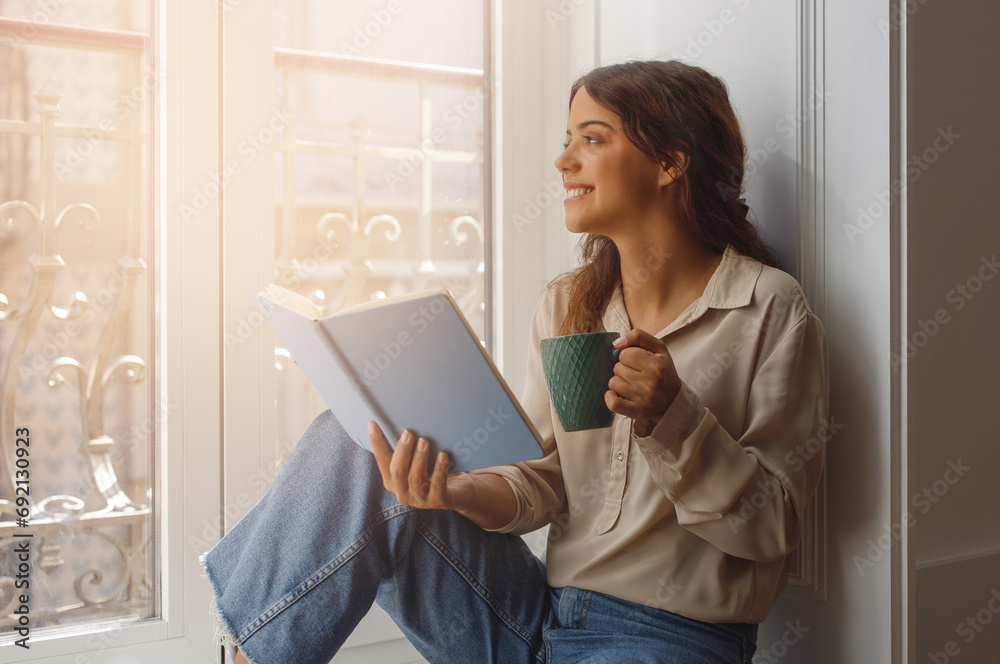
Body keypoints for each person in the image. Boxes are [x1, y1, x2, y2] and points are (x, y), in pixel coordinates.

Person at [203, 59, 829, 664]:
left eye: (591, 138)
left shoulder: (766, 307)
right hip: (535, 618)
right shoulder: (569, 304)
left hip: (669, 641)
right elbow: (543, 480)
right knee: (360, 444)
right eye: (567, 140)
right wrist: (461, 491)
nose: (563, 161)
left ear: (669, 162)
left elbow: (773, 527)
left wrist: (675, 417)